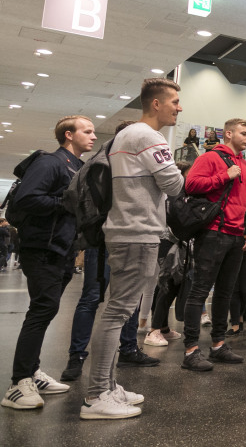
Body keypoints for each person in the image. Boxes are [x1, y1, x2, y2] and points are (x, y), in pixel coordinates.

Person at [81, 79, 186, 419]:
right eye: (174, 101)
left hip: (126, 230)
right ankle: (97, 395)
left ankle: (107, 385)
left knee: (115, 310)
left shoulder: (125, 136)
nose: (179, 107)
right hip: (136, 231)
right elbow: (173, 184)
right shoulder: (148, 136)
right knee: (116, 312)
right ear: (155, 104)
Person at [2, 115, 96, 410]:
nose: (93, 136)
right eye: (87, 131)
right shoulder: (50, 162)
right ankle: (18, 383)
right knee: (42, 309)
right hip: (41, 248)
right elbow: (28, 199)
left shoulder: (78, 167)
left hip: (63, 249)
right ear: (69, 135)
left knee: (46, 309)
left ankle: (32, 371)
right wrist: (63, 205)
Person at [62, 121, 161, 381]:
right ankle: (77, 355)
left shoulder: (120, 161)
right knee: (96, 297)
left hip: (118, 236)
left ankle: (127, 348)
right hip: (106, 236)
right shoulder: (103, 160)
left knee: (126, 299)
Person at [180, 118, 246, 371]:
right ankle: (190, 351)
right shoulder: (211, 157)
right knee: (200, 291)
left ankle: (218, 346)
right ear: (229, 134)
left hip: (236, 236)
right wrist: (224, 176)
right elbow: (190, 185)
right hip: (213, 233)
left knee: (225, 292)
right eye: (243, 133)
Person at [144, 161, 194, 347]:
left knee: (172, 284)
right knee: (167, 283)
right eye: (190, 172)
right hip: (166, 241)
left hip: (177, 242)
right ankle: (153, 330)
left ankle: (163, 328)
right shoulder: (172, 193)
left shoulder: (183, 193)